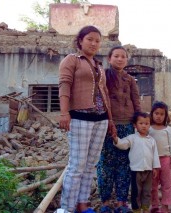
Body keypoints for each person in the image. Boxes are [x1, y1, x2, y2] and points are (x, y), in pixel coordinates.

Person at [57, 25, 114, 213]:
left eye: (97, 40)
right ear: (80, 40)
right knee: (77, 165)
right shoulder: (71, 60)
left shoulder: (99, 65)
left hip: (101, 119)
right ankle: (67, 208)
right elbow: (64, 86)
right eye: (90, 39)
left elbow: (104, 93)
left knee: (90, 165)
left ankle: (83, 204)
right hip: (80, 118)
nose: (94, 43)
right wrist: (64, 113)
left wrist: (110, 120)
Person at [97, 46, 141, 213]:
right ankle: (106, 201)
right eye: (116, 56)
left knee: (124, 163)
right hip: (108, 125)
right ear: (110, 58)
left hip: (128, 126)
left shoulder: (130, 80)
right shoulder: (103, 76)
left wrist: (137, 123)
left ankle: (122, 202)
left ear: (126, 60)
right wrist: (106, 121)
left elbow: (136, 101)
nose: (120, 59)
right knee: (106, 163)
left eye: (123, 56)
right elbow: (101, 100)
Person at [112, 112, 161, 213]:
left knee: (147, 191)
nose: (144, 126)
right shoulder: (132, 138)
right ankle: (136, 209)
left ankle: (146, 208)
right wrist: (116, 139)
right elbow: (123, 144)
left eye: (147, 123)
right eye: (141, 123)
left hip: (148, 170)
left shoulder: (151, 140)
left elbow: (155, 154)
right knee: (136, 192)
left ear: (149, 125)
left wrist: (155, 167)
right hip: (136, 170)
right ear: (135, 125)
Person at [149, 101, 171, 213]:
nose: (159, 116)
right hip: (152, 161)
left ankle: (165, 206)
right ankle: (154, 205)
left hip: (165, 159)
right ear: (152, 114)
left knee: (166, 184)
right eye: (156, 113)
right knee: (152, 185)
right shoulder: (149, 129)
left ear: (166, 116)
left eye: (162, 114)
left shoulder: (168, 130)